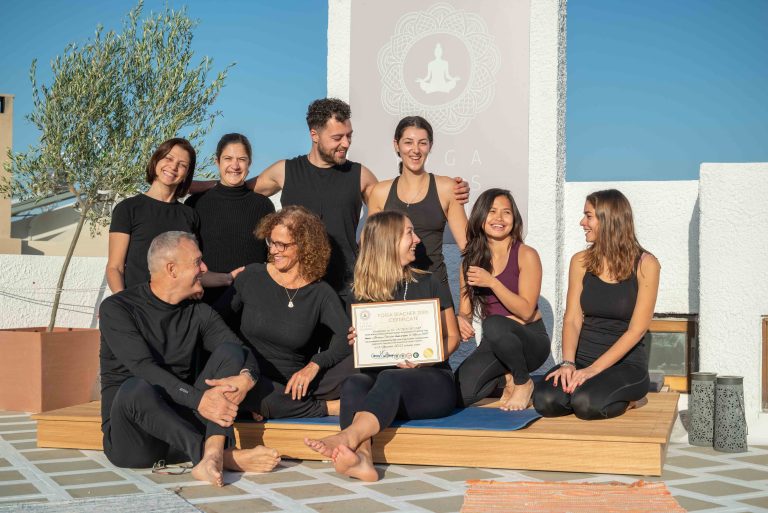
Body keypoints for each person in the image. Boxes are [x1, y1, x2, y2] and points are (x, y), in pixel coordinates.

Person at [192, 98, 470, 306]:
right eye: (337, 137)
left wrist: (447, 193)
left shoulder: (360, 175)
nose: (346, 143)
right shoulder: (284, 171)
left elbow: (398, 204)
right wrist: (188, 187)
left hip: (347, 288)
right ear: (314, 135)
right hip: (294, 288)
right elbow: (237, 188)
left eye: (349, 136)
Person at [99, 231, 280, 487]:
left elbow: (242, 352)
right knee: (135, 387)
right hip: (135, 440)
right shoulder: (118, 308)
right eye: (197, 262)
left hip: (183, 431)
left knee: (230, 354)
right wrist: (200, 399)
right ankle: (225, 458)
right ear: (171, 269)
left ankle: (213, 454)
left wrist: (246, 378)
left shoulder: (198, 312)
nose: (205, 268)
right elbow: (143, 368)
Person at [304, 211, 460, 482]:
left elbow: (453, 337)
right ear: (388, 241)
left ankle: (347, 436)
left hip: (431, 382)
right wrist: (355, 340)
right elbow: (361, 351)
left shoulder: (429, 281)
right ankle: (364, 459)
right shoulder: (359, 292)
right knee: (354, 383)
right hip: (383, 388)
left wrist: (428, 359)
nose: (417, 240)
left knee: (390, 378)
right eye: (409, 233)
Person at [533, 189, 660, 420]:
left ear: (608, 219)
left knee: (586, 404)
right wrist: (568, 364)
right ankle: (585, 386)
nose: (582, 222)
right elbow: (572, 318)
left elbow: (637, 330)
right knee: (546, 401)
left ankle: (632, 399)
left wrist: (593, 371)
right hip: (582, 358)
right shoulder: (580, 261)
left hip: (624, 365)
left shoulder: (646, 264)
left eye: (588, 216)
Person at [231, 207, 353, 419]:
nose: (274, 250)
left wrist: (315, 364)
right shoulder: (252, 276)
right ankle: (326, 408)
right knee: (243, 390)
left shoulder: (320, 292)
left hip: (297, 383)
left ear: (305, 247)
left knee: (359, 365)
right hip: (252, 377)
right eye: (271, 242)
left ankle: (278, 405)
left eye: (282, 245)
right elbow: (217, 322)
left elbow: (346, 336)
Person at [454, 189, 550, 410]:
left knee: (493, 323)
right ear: (480, 217)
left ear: (514, 219)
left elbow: (526, 312)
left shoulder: (526, 254)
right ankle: (506, 377)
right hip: (495, 342)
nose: (499, 218)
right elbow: (465, 311)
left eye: (506, 212)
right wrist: (461, 320)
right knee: (460, 394)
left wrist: (493, 282)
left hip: (529, 341)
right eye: (492, 211)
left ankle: (523, 382)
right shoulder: (470, 261)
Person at [367, 116, 467, 299]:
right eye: (408, 142)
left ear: (430, 146)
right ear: (396, 145)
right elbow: (371, 249)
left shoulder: (447, 188)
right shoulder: (380, 192)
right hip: (390, 291)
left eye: (422, 143)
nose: (415, 150)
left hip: (435, 290)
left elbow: (469, 250)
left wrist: (466, 311)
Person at [185, 133, 275, 307]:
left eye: (241, 159)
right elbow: (186, 256)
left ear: (249, 163)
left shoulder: (263, 205)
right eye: (228, 158)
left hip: (252, 302)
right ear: (217, 161)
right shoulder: (196, 203)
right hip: (205, 301)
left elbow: (272, 254)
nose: (235, 165)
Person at [106, 138, 200, 293]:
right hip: (136, 306)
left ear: (186, 174)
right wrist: (122, 306)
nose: (173, 167)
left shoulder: (189, 215)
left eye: (182, 165)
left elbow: (194, 267)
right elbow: (114, 268)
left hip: (177, 310)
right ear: (156, 161)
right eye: (168, 158)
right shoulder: (128, 208)